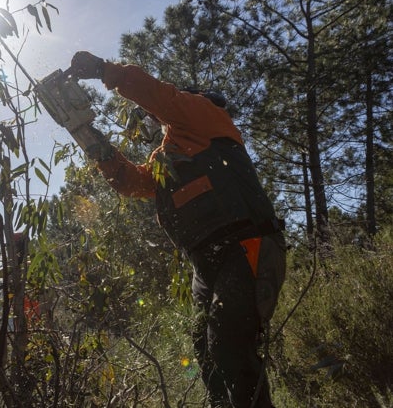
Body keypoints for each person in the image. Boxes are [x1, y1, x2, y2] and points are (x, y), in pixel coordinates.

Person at [69, 51, 287, 408]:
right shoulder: (165, 157)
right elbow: (131, 183)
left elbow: (162, 98)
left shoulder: (203, 113)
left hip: (247, 245)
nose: (152, 119)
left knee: (227, 343)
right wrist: (91, 139)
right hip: (207, 262)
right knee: (206, 347)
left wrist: (103, 70)